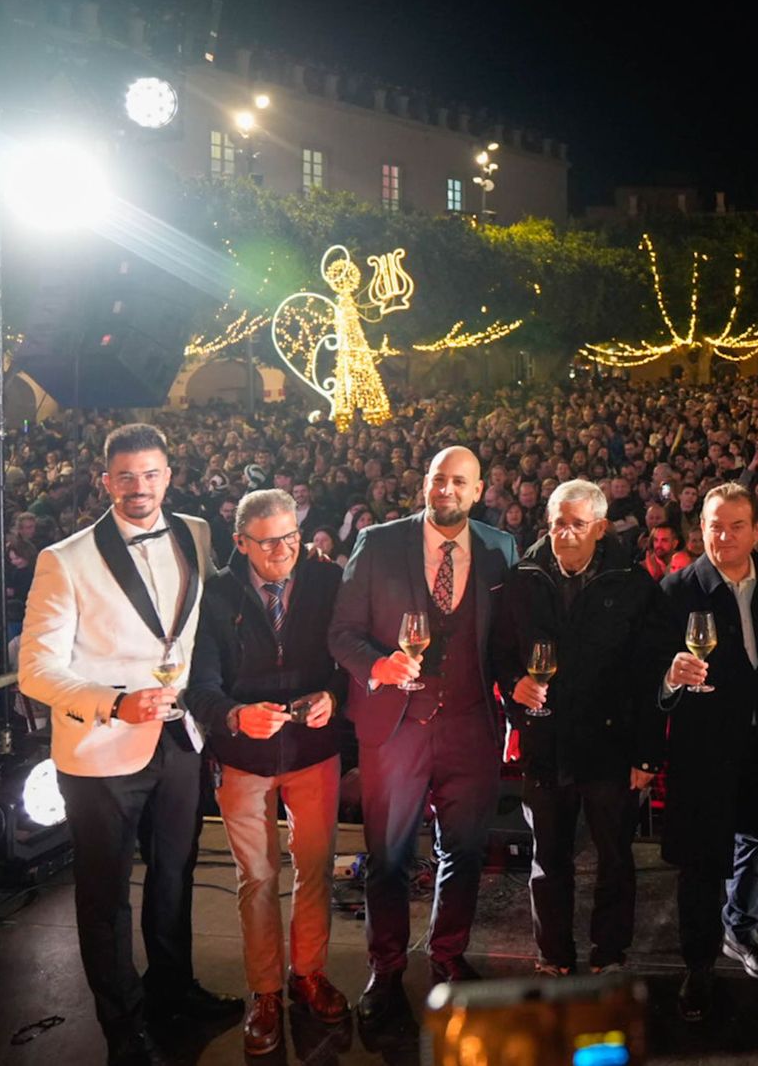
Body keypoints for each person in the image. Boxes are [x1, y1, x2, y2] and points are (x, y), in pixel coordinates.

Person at [19, 423, 241, 1066]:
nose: (139, 487)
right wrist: (116, 702)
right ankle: (124, 1027)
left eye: (151, 474)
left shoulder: (197, 532)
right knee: (105, 896)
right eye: (126, 476)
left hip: (177, 739)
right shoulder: (65, 558)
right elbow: (36, 670)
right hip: (100, 750)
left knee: (175, 877)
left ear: (169, 475)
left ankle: (173, 991)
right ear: (105, 481)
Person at [328, 446, 519, 1021]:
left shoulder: (499, 548)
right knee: (387, 855)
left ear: (479, 490)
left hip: (470, 726)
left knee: (463, 850)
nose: (447, 490)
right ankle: (385, 969)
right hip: (395, 727)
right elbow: (342, 633)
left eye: (459, 482)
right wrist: (378, 666)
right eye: (439, 479)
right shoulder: (380, 541)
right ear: (425, 484)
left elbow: (505, 643)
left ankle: (448, 956)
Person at [188, 489, 350, 1054]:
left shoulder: (327, 581)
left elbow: (348, 658)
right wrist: (234, 716)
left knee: (316, 867)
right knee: (256, 878)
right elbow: (199, 686)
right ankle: (263, 991)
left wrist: (334, 695)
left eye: (292, 537)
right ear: (240, 543)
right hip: (245, 757)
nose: (284, 550)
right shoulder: (217, 596)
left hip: (314, 750)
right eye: (269, 541)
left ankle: (308, 973)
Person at [498, 479, 672, 977]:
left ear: (599, 527)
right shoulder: (523, 579)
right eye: (558, 523)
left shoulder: (634, 585)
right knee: (548, 861)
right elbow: (500, 653)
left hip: (610, 747)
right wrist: (515, 684)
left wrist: (645, 754)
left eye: (578, 524)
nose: (566, 534)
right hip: (546, 743)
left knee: (615, 859)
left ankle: (609, 952)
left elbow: (650, 675)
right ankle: (552, 954)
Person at [657, 483, 758, 1021]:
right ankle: (699, 965)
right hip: (704, 750)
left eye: (737, 525)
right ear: (700, 528)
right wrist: (669, 676)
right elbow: (649, 673)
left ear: (757, 529)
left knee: (757, 844)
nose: (725, 536)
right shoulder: (675, 590)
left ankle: (742, 931)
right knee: (701, 860)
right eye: (714, 525)